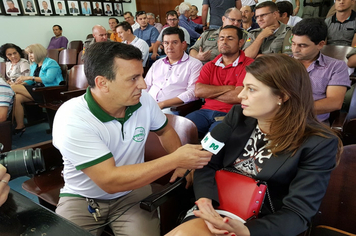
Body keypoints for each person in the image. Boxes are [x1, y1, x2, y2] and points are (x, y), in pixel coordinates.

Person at [167, 53, 342, 236]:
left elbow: (298, 213)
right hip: (216, 207)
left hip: (262, 225)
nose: (241, 95)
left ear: (282, 95)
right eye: (244, 87)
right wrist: (204, 199)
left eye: (251, 89)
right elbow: (207, 159)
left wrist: (248, 231)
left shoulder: (318, 144)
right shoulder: (237, 116)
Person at [52, 41, 213, 235]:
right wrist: (176, 159)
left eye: (142, 75)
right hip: (82, 197)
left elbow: (165, 131)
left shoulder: (143, 100)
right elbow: (110, 181)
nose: (143, 85)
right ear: (102, 83)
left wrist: (180, 162)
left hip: (132, 193)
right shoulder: (73, 118)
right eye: (133, 78)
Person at [186, 25, 254, 138]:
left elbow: (238, 96)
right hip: (205, 112)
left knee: (213, 140)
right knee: (181, 129)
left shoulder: (249, 64)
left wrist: (210, 93)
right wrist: (230, 88)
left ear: (240, 42)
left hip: (231, 113)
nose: (224, 41)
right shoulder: (209, 65)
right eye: (221, 38)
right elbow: (198, 91)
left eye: (230, 38)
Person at [292, 18, 350, 123]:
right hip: (279, 122)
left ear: (320, 44)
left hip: (313, 126)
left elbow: (334, 102)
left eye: (302, 45)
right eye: (293, 43)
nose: (295, 50)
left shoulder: (335, 66)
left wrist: (291, 110)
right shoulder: (283, 62)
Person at [145, 27, 203, 113]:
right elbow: (145, 86)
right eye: (166, 43)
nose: (169, 47)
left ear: (183, 44)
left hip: (172, 108)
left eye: (174, 42)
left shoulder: (194, 64)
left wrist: (163, 104)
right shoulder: (158, 63)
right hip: (148, 105)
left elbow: (192, 93)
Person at [11, 44, 63, 135]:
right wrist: (21, 83)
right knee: (17, 97)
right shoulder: (34, 65)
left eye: (31, 53)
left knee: (12, 88)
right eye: (28, 53)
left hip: (49, 91)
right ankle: (20, 126)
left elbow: (48, 79)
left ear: (39, 52)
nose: (29, 56)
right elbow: (31, 82)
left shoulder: (51, 63)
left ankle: (7, 121)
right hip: (37, 90)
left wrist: (28, 78)